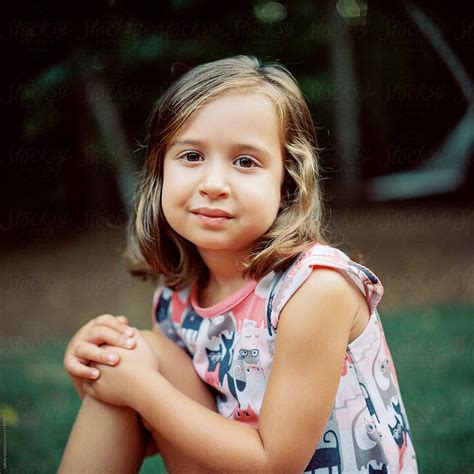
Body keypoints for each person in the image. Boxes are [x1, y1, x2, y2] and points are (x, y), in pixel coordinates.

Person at [59, 55, 418, 473]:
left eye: (245, 161)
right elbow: (162, 432)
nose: (213, 184)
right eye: (191, 156)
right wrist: (92, 370)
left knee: (137, 369)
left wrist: (140, 388)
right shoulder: (176, 299)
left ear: (288, 180)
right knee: (128, 353)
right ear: (159, 171)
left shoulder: (315, 289)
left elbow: (274, 462)